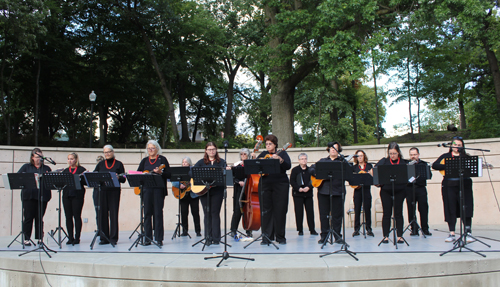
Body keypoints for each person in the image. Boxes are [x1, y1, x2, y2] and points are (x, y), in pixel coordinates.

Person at [251, 135, 291, 245]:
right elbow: (254, 168)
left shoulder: (282, 153)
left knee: (280, 210)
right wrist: (254, 159)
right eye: (267, 144)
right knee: (265, 211)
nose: (268, 146)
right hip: (265, 184)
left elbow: (288, 166)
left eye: (270, 144)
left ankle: (280, 237)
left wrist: (280, 160)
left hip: (280, 184)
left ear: (275, 145)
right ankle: (266, 237)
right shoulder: (263, 154)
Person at [432, 136, 473, 242]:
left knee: (466, 207)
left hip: (465, 185)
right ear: (451, 146)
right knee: (451, 208)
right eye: (455, 144)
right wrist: (448, 166)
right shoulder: (445, 156)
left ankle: (468, 233)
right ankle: (452, 233)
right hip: (449, 185)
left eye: (459, 145)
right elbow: (435, 165)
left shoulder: (466, 156)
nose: (457, 147)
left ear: (462, 146)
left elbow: (472, 168)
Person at [309, 142, 346, 244]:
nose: (333, 150)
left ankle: (337, 236)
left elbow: (349, 172)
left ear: (339, 150)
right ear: (328, 150)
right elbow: (311, 168)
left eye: (335, 148)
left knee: (337, 215)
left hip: (338, 191)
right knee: (324, 215)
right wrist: (317, 173)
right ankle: (324, 236)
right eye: (331, 148)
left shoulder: (342, 162)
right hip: (323, 191)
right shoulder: (322, 161)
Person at [137, 140, 171, 246]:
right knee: (147, 214)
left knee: (158, 213)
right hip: (146, 190)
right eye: (149, 148)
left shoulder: (162, 159)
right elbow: (138, 173)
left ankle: (159, 238)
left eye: (153, 148)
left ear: (157, 149)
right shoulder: (144, 161)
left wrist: (161, 172)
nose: (151, 150)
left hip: (158, 190)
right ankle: (147, 237)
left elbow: (169, 174)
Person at [373, 142, 407, 244]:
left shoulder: (403, 163)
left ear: (398, 153)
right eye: (390, 153)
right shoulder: (384, 161)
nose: (392, 156)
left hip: (400, 190)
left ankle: (400, 235)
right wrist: (378, 183)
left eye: (394, 153)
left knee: (398, 213)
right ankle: (386, 236)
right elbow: (373, 171)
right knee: (387, 213)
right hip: (386, 191)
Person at [17, 148, 52, 246]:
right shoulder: (26, 167)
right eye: (37, 157)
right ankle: (26, 239)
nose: (39, 159)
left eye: (40, 157)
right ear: (32, 158)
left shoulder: (46, 168)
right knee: (28, 217)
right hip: (29, 196)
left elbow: (50, 182)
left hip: (42, 196)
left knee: (39, 218)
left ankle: (40, 238)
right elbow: (18, 177)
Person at [194, 142, 226, 245]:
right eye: (209, 149)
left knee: (215, 213)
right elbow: (192, 172)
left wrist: (226, 170)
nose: (211, 151)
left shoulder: (221, 162)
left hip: (217, 191)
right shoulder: (200, 162)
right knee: (206, 213)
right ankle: (208, 237)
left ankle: (216, 239)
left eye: (213, 149)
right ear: (206, 151)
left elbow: (225, 174)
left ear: (216, 150)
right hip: (204, 191)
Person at [93, 145, 126, 245]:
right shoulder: (101, 164)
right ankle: (104, 237)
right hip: (102, 191)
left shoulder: (119, 164)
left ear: (113, 152)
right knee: (102, 214)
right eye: (105, 152)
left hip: (114, 191)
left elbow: (124, 178)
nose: (107, 154)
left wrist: (118, 177)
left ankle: (113, 238)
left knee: (113, 214)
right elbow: (95, 174)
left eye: (109, 152)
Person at [171, 157, 202, 237]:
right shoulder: (179, 171)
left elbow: (198, 181)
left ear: (189, 163)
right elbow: (173, 181)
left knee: (195, 213)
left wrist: (192, 184)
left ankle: (198, 231)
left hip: (193, 195)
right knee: (184, 213)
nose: (184, 163)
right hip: (183, 195)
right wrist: (179, 185)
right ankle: (185, 231)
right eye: (183, 162)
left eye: (186, 162)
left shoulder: (193, 170)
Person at [405, 147, 432, 237]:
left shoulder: (423, 164)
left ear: (418, 155)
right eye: (411, 155)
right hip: (409, 189)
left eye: (415, 154)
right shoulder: (406, 164)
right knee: (411, 209)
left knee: (423, 209)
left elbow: (429, 175)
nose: (413, 156)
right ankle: (414, 229)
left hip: (421, 188)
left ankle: (425, 229)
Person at [289, 153, 317, 236]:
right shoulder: (295, 170)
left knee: (310, 212)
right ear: (299, 160)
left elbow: (313, 180)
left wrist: (309, 187)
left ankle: (312, 230)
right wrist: (298, 188)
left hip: (308, 194)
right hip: (298, 194)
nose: (304, 160)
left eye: (305, 158)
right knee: (299, 212)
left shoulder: (310, 170)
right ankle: (300, 230)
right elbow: (292, 181)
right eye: (302, 159)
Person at [62, 152, 87, 245]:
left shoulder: (81, 169)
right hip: (66, 195)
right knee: (68, 217)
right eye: (68, 159)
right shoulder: (65, 171)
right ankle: (70, 237)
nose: (70, 160)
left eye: (72, 159)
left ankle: (77, 237)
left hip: (77, 195)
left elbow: (86, 182)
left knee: (77, 216)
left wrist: (83, 177)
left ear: (76, 160)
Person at [229, 148, 253, 238]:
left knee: (247, 210)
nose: (243, 156)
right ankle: (233, 229)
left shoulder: (251, 165)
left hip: (249, 188)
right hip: (238, 189)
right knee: (237, 209)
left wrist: (246, 182)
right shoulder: (236, 165)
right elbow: (233, 176)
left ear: (248, 155)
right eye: (242, 154)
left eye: (245, 154)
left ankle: (249, 230)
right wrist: (239, 182)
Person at [351, 150, 374, 237]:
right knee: (357, 210)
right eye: (358, 156)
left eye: (361, 155)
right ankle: (356, 229)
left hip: (367, 190)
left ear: (364, 156)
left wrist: (369, 175)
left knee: (367, 209)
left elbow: (372, 177)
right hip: (357, 190)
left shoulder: (369, 166)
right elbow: (351, 179)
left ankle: (369, 229)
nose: (360, 157)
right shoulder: (354, 167)